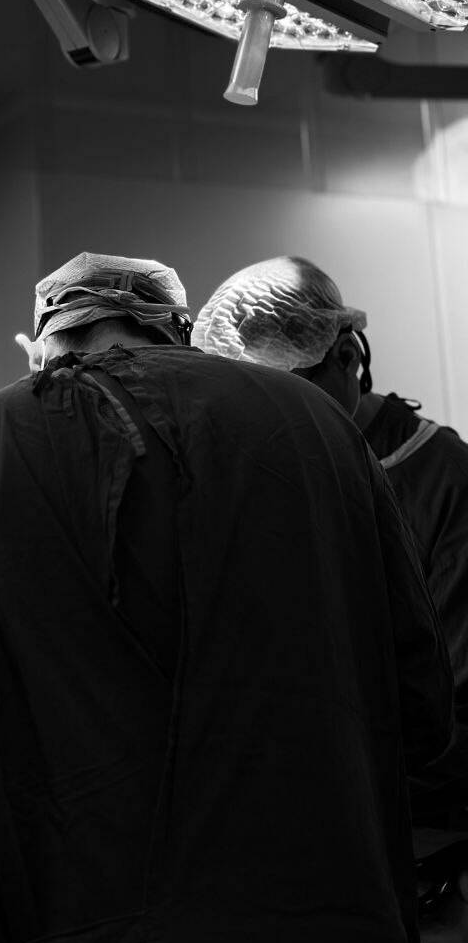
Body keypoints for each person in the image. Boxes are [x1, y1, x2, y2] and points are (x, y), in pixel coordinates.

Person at [0, 252, 453, 943]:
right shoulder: (317, 423)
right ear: (181, 332)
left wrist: (21, 829)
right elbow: (420, 708)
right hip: (331, 927)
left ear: (43, 347)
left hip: (86, 937)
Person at [194, 256, 468, 836]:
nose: (266, 415)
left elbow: (450, 696)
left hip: (418, 823)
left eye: (287, 392)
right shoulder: (267, 473)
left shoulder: (439, 477)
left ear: (346, 357)